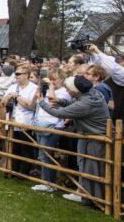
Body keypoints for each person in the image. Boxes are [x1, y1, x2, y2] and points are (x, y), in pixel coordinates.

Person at [38, 75, 110, 206]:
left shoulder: (86, 103)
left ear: (75, 90)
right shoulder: (92, 93)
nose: (67, 91)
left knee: (92, 168)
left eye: (68, 89)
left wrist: (42, 103)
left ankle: (90, 197)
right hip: (89, 136)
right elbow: (74, 104)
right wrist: (60, 101)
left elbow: (61, 114)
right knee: (84, 165)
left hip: (96, 138)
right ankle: (84, 193)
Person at [1, 64, 38, 175]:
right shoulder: (13, 86)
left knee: (25, 148)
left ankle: (24, 172)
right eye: (15, 73)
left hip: (26, 122)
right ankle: (14, 169)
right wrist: (7, 97)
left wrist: (17, 97)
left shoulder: (33, 88)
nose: (15, 76)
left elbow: (30, 105)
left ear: (26, 75)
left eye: (18, 74)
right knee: (14, 147)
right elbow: (3, 103)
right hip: (12, 121)